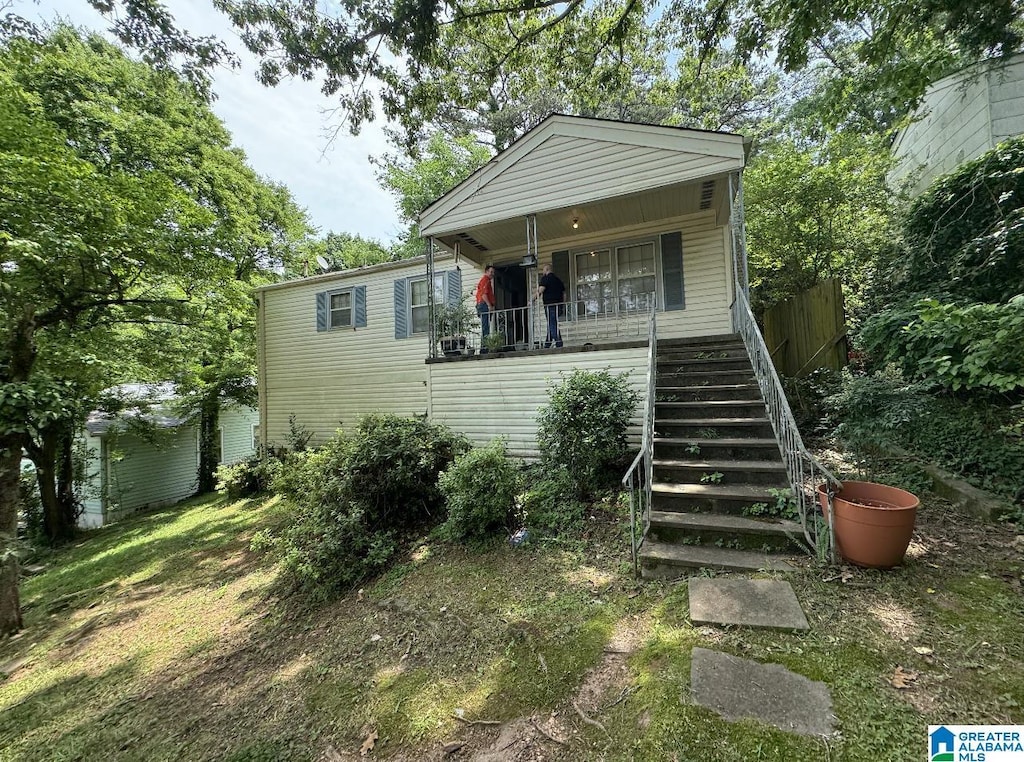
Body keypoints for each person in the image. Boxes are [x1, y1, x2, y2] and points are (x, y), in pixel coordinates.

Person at [535, 263, 565, 348]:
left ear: (547, 269)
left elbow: (540, 291)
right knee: (551, 323)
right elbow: (564, 294)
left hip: (549, 305)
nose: (543, 272)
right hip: (558, 305)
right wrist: (562, 304)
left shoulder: (546, 278)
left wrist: (531, 300)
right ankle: (547, 344)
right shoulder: (558, 280)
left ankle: (559, 343)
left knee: (552, 324)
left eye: (543, 270)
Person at [475, 264, 495, 350]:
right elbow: (483, 294)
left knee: (486, 326)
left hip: (483, 305)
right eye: (491, 272)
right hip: (484, 305)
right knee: (485, 327)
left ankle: (485, 347)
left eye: (493, 272)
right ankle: (484, 348)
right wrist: (489, 305)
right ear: (486, 272)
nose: (492, 274)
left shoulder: (487, 281)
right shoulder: (485, 280)